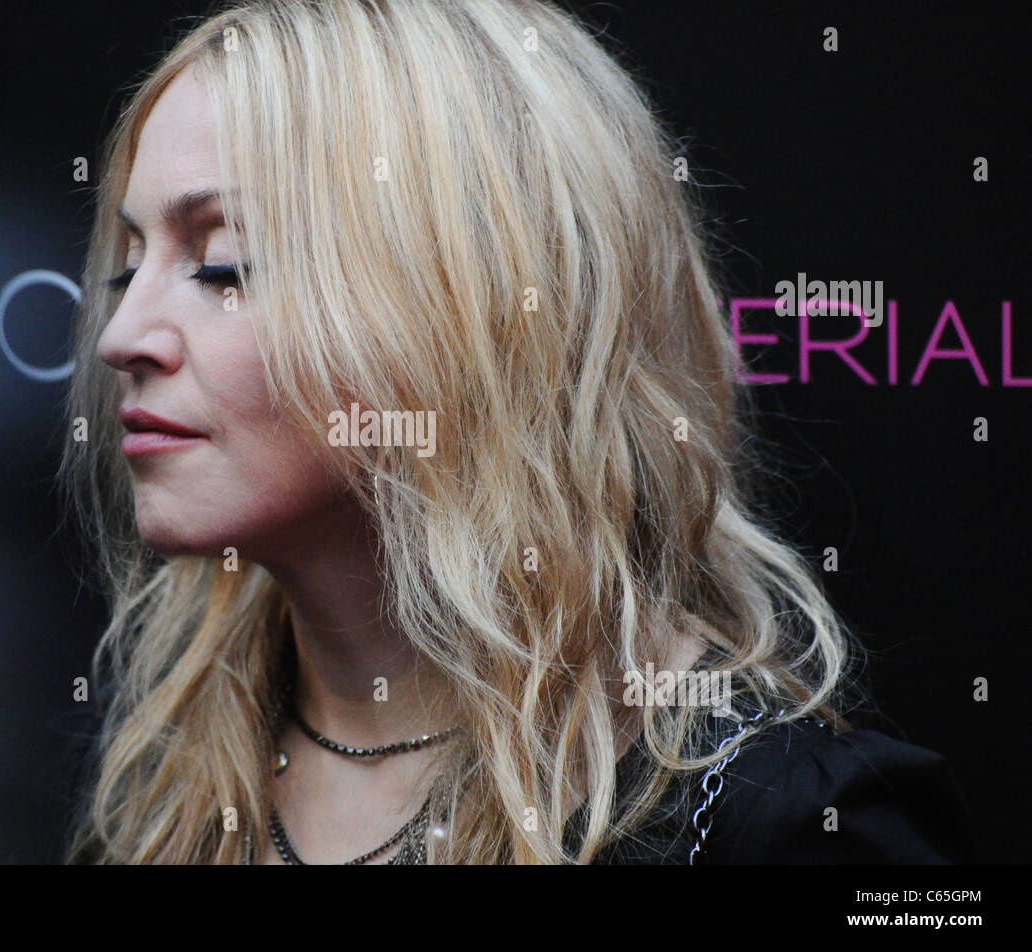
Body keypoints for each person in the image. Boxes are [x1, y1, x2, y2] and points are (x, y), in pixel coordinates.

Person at [60, 0, 974, 864]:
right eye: (126, 269)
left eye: (223, 263)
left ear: (472, 309)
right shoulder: (165, 784)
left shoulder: (783, 826)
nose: (122, 336)